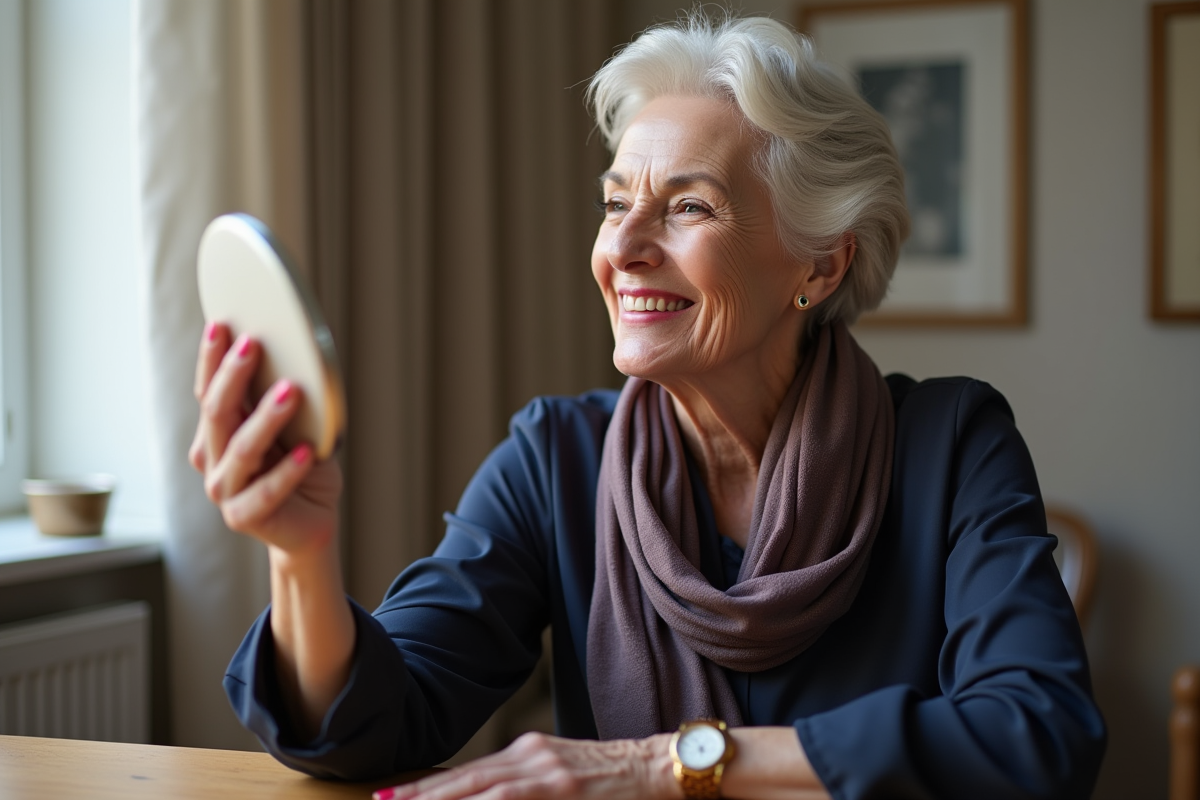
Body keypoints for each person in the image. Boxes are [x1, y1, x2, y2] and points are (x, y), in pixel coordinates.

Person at [191, 13, 1106, 800]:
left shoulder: (952, 444)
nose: (622, 246)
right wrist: (300, 556)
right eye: (615, 202)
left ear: (822, 263)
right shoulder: (556, 457)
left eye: (688, 208)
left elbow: (1040, 733)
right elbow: (379, 724)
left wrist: (660, 765)